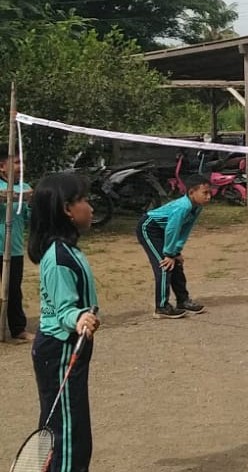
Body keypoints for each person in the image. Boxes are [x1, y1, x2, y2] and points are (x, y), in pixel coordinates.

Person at [28, 172, 101, 472]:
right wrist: (79, 317)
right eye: (83, 200)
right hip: (61, 350)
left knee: (67, 428)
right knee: (69, 437)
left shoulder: (67, 249)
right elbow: (63, 310)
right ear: (67, 209)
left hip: (66, 347)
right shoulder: (58, 257)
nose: (91, 207)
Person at [136, 174, 212, 319]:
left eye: (210, 193)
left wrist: (176, 251)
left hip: (164, 230)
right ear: (191, 192)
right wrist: (169, 254)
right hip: (149, 228)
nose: (209, 197)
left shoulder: (197, 207)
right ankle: (162, 307)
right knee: (164, 265)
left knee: (176, 263)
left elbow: (184, 229)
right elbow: (172, 229)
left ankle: (183, 301)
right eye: (205, 193)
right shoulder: (183, 207)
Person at [0, 144, 34, 341]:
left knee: (14, 289)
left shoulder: (25, 188)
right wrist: (10, 196)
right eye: (16, 162)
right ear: (2, 166)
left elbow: (29, 218)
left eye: (22, 162)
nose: (21, 166)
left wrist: (31, 203)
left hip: (14, 249)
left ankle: (18, 328)